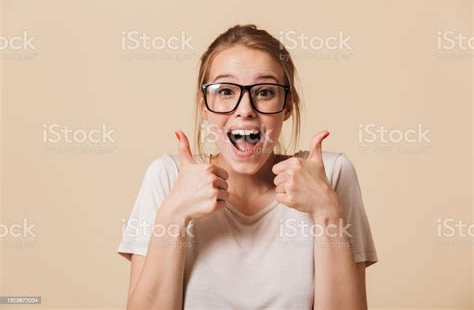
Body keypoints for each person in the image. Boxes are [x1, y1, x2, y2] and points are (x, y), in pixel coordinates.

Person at [118, 24, 378, 310]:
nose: (245, 109)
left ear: (288, 105)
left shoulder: (330, 174)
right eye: (226, 91)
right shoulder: (167, 177)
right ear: (204, 105)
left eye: (265, 92)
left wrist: (327, 212)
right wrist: (173, 217)